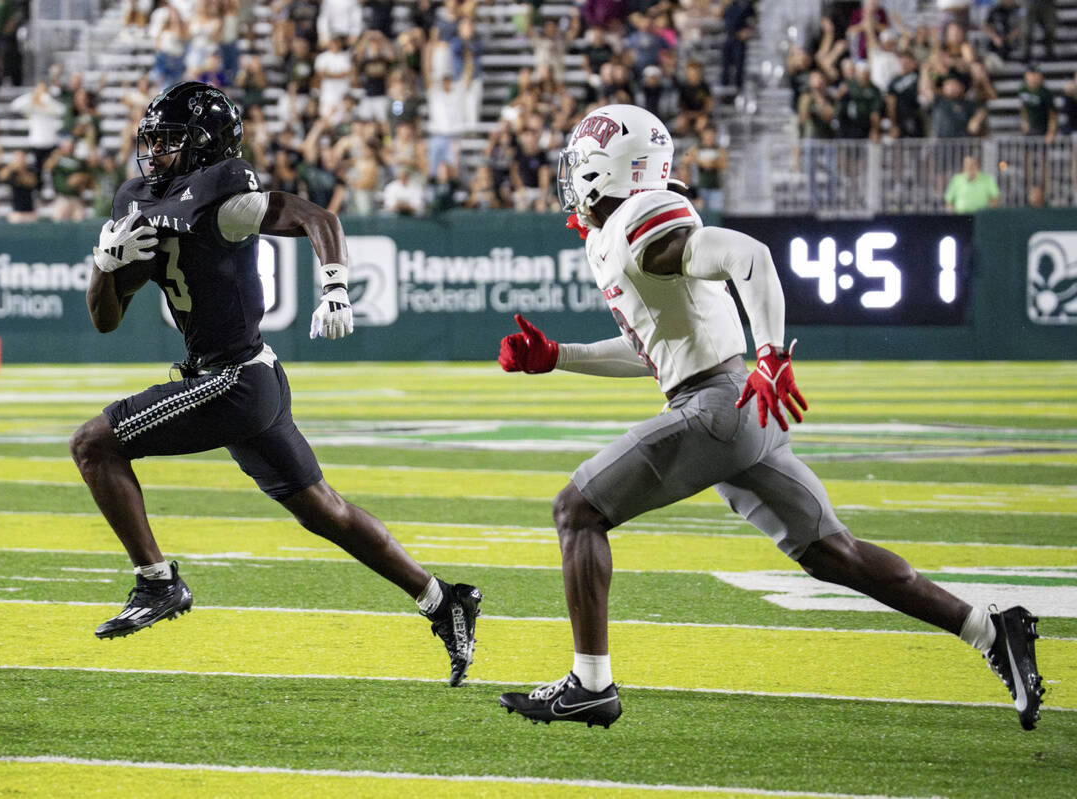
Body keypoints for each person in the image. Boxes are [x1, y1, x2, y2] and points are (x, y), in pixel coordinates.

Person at [494, 103, 1044, 730]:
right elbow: (657, 354)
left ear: (609, 170)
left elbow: (748, 255)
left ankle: (590, 684)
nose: (570, 175)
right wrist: (561, 357)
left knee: (577, 509)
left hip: (720, 407)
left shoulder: (642, 219)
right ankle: (989, 629)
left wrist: (773, 354)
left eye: (580, 163)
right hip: (731, 407)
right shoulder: (615, 236)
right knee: (836, 554)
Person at [69, 81, 481, 686]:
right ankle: (443, 600)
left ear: (207, 145)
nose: (154, 153)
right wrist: (105, 266)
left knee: (92, 443)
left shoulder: (224, 192)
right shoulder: (138, 202)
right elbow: (105, 318)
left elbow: (317, 215)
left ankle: (158, 583)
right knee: (326, 512)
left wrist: (336, 284)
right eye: (151, 140)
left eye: (170, 141)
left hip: (235, 379)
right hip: (242, 379)